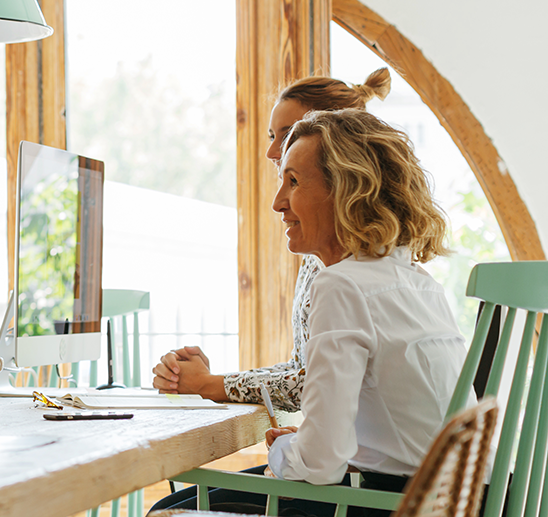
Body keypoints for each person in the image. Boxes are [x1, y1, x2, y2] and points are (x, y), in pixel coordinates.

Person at [156, 109, 465, 517]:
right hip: (454, 500)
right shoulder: (419, 281)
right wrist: (308, 445)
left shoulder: (342, 284)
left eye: (294, 182)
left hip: (393, 506)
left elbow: (320, 466)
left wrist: (289, 449)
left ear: (347, 190)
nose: (277, 202)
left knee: (168, 509)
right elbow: (405, 425)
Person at [151, 69, 392, 411]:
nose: (271, 152)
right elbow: (304, 372)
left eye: (289, 135)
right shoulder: (323, 253)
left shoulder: (352, 269)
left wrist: (212, 385)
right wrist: (212, 381)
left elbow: (309, 385)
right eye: (272, 136)